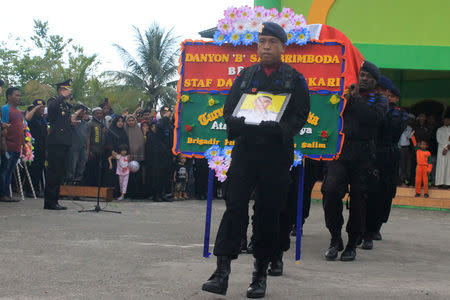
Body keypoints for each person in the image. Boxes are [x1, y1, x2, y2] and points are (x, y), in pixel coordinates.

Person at [202, 22, 309, 298]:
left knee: (268, 212)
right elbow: (229, 110)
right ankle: (221, 271)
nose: (265, 47)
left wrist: (281, 130)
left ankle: (260, 274)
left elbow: (300, 116)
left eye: (272, 42)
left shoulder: (294, 79)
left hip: (275, 153)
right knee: (234, 206)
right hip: (246, 151)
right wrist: (235, 123)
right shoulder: (246, 76)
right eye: (261, 41)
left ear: (283, 47)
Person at [321, 61, 387, 261]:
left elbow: (373, 118)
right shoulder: (343, 94)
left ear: (375, 81)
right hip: (339, 151)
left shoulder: (379, 100)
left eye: (368, 76)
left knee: (359, 200)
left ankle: (351, 243)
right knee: (330, 191)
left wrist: (355, 98)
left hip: (363, 154)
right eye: (361, 74)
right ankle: (334, 237)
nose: (363, 78)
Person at [362, 77, 408, 249]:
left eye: (384, 92)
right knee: (365, 191)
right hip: (369, 153)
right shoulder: (370, 106)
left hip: (388, 155)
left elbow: (393, 128)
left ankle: (376, 226)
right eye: (379, 90)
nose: (382, 94)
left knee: (385, 192)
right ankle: (363, 228)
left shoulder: (398, 113)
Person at [44, 79, 81, 210]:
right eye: (66, 90)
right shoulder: (54, 101)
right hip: (55, 142)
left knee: (59, 173)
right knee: (53, 172)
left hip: (64, 142)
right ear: (60, 90)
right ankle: (49, 202)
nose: (69, 93)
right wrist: (62, 97)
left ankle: (55, 200)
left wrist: (72, 122)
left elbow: (63, 122)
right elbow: (51, 109)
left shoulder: (65, 105)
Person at [0, 87, 24, 202]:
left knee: (10, 171)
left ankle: (7, 194)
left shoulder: (19, 111)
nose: (18, 97)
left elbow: (21, 129)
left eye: (19, 95)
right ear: (9, 96)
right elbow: (3, 127)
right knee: (4, 170)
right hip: (7, 146)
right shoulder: (5, 109)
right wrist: (3, 143)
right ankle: (3, 194)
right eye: (16, 95)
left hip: (16, 147)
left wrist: (22, 146)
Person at [24, 99, 47, 196]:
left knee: (39, 168)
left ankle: (36, 189)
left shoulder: (42, 119)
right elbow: (26, 119)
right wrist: (34, 109)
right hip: (32, 148)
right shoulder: (32, 117)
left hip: (41, 147)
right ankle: (29, 190)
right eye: (39, 107)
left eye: (43, 107)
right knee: (32, 169)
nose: (41, 109)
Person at [66, 104, 89, 185]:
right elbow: (71, 122)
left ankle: (77, 186)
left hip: (83, 148)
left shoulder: (86, 123)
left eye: (84, 111)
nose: (84, 113)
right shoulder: (72, 120)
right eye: (82, 111)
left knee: (81, 167)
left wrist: (87, 149)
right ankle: (69, 185)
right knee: (72, 167)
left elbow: (87, 137)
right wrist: (77, 112)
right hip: (73, 147)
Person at [124, 115, 145, 198]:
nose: (131, 122)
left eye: (132, 120)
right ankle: (128, 193)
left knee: (137, 175)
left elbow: (141, 143)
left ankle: (137, 193)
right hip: (128, 157)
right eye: (129, 120)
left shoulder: (138, 130)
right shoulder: (125, 130)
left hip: (138, 157)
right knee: (128, 175)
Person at [85, 107, 106, 186]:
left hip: (100, 151)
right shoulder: (90, 123)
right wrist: (88, 151)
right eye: (98, 113)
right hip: (92, 151)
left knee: (97, 172)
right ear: (93, 114)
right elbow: (88, 138)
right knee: (90, 171)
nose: (100, 115)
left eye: (101, 113)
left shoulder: (101, 124)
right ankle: (89, 189)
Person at [398, 114, 416, 185]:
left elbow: (409, 136)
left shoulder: (409, 128)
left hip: (406, 148)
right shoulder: (399, 127)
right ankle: (400, 179)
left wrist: (406, 130)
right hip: (399, 147)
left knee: (406, 164)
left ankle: (405, 179)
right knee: (400, 164)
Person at [435, 115, 450, 187]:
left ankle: (448, 183)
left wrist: (447, 148)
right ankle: (440, 183)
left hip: (448, 150)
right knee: (441, 165)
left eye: (448, 120)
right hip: (441, 150)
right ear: (443, 121)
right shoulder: (440, 129)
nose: (446, 121)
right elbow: (439, 140)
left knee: (448, 166)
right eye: (445, 120)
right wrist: (445, 147)